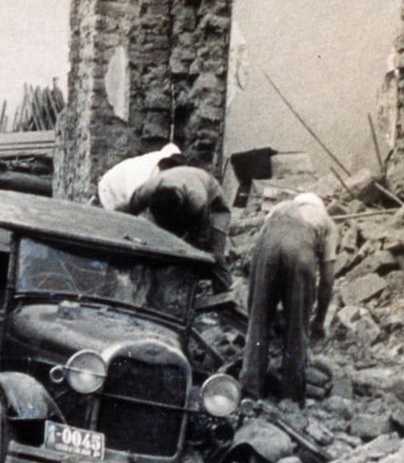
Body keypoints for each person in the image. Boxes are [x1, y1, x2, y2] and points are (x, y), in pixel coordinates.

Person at [243, 193, 337, 402]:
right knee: (297, 326)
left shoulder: (280, 208)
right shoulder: (327, 223)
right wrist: (319, 322)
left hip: (267, 246)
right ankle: (291, 395)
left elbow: (262, 247)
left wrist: (263, 306)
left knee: (258, 322)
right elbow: (328, 280)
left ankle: (250, 389)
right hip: (300, 250)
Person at [125, 165, 233, 290]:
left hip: (214, 207)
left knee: (214, 256)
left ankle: (226, 293)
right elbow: (130, 210)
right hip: (182, 194)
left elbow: (202, 237)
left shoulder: (198, 200)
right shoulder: (147, 190)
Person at [97, 143, 183, 212]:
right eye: (171, 164)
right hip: (110, 188)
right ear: (163, 162)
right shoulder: (143, 169)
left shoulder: (161, 172)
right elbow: (133, 198)